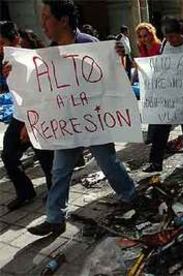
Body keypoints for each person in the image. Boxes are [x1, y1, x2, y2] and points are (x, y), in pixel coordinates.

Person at [2, 0, 138, 236]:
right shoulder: (48, 52)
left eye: (46, 17)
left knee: (108, 163)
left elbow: (113, 78)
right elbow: (39, 90)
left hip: (93, 122)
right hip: (66, 125)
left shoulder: (90, 45)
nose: (42, 23)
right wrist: (14, 74)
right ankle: (55, 218)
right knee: (60, 171)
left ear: (63, 20)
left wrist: (118, 55)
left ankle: (130, 196)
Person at [0, 21, 54, 211]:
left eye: (1, 42)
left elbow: (40, 94)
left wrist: (30, 124)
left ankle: (55, 197)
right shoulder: (7, 60)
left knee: (47, 160)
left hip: (37, 116)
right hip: (18, 116)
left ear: (15, 39)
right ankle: (25, 192)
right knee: (8, 155)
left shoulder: (29, 61)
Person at [142, 18, 183, 173]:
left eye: (173, 37)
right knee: (160, 129)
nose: (171, 40)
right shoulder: (165, 44)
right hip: (168, 96)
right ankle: (156, 163)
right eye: (167, 37)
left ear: (180, 33)